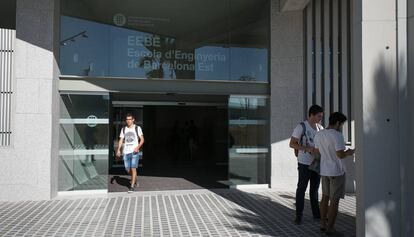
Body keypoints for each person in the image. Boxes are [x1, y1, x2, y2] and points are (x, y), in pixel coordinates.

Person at [314, 112, 355, 235]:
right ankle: (330, 228)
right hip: (336, 171)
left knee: (325, 198)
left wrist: (327, 153)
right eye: (341, 124)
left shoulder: (319, 134)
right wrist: (350, 152)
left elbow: (317, 151)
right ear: (337, 123)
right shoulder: (337, 135)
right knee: (334, 201)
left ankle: (322, 224)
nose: (341, 126)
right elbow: (340, 154)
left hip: (324, 170)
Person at [289, 105, 324, 224]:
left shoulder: (320, 128)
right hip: (304, 163)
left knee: (314, 190)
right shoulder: (301, 127)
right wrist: (306, 148)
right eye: (319, 116)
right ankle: (298, 216)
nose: (320, 119)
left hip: (317, 163)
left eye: (321, 116)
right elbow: (292, 144)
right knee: (301, 189)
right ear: (312, 115)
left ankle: (317, 214)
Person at [116, 113, 145, 193]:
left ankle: (132, 187)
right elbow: (121, 140)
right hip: (126, 152)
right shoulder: (124, 129)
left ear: (133, 120)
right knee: (127, 169)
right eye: (127, 119)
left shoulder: (137, 128)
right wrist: (118, 149)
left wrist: (137, 147)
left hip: (134, 152)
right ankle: (135, 179)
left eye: (129, 119)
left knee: (133, 168)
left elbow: (142, 139)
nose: (128, 121)